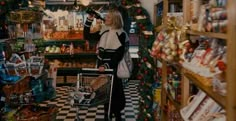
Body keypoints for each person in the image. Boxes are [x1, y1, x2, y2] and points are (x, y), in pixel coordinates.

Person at [83, 9, 127, 121]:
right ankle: (107, 115)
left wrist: (107, 66)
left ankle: (117, 115)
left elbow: (119, 54)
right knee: (104, 92)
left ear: (114, 20)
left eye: (108, 17)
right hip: (102, 68)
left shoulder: (121, 33)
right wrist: (89, 19)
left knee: (115, 92)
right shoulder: (104, 30)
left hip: (113, 68)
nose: (105, 18)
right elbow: (87, 35)